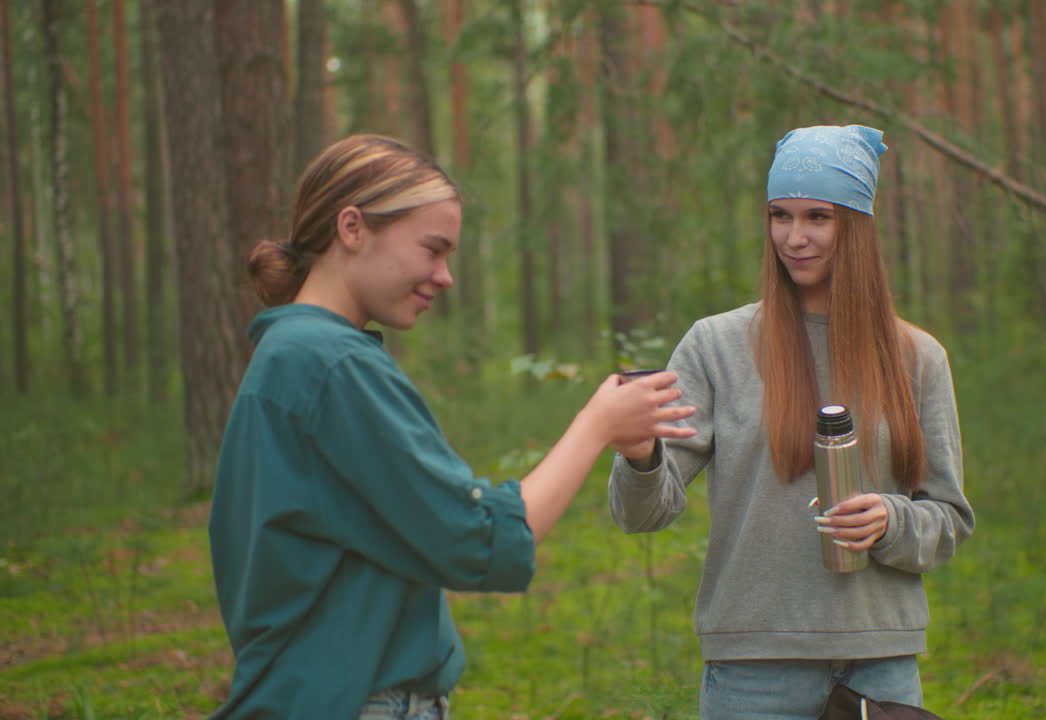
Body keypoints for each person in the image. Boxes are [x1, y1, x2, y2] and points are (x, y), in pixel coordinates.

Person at [208, 134, 696, 720]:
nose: (445, 277)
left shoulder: (289, 353)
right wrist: (596, 426)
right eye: (432, 249)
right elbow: (479, 542)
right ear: (352, 227)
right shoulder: (333, 364)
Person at [608, 125, 975, 719]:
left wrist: (890, 518)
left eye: (817, 218)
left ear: (855, 227)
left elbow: (950, 520)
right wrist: (639, 455)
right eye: (780, 216)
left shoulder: (917, 357)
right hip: (754, 673)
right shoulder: (716, 347)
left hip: (880, 667)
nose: (794, 238)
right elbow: (641, 513)